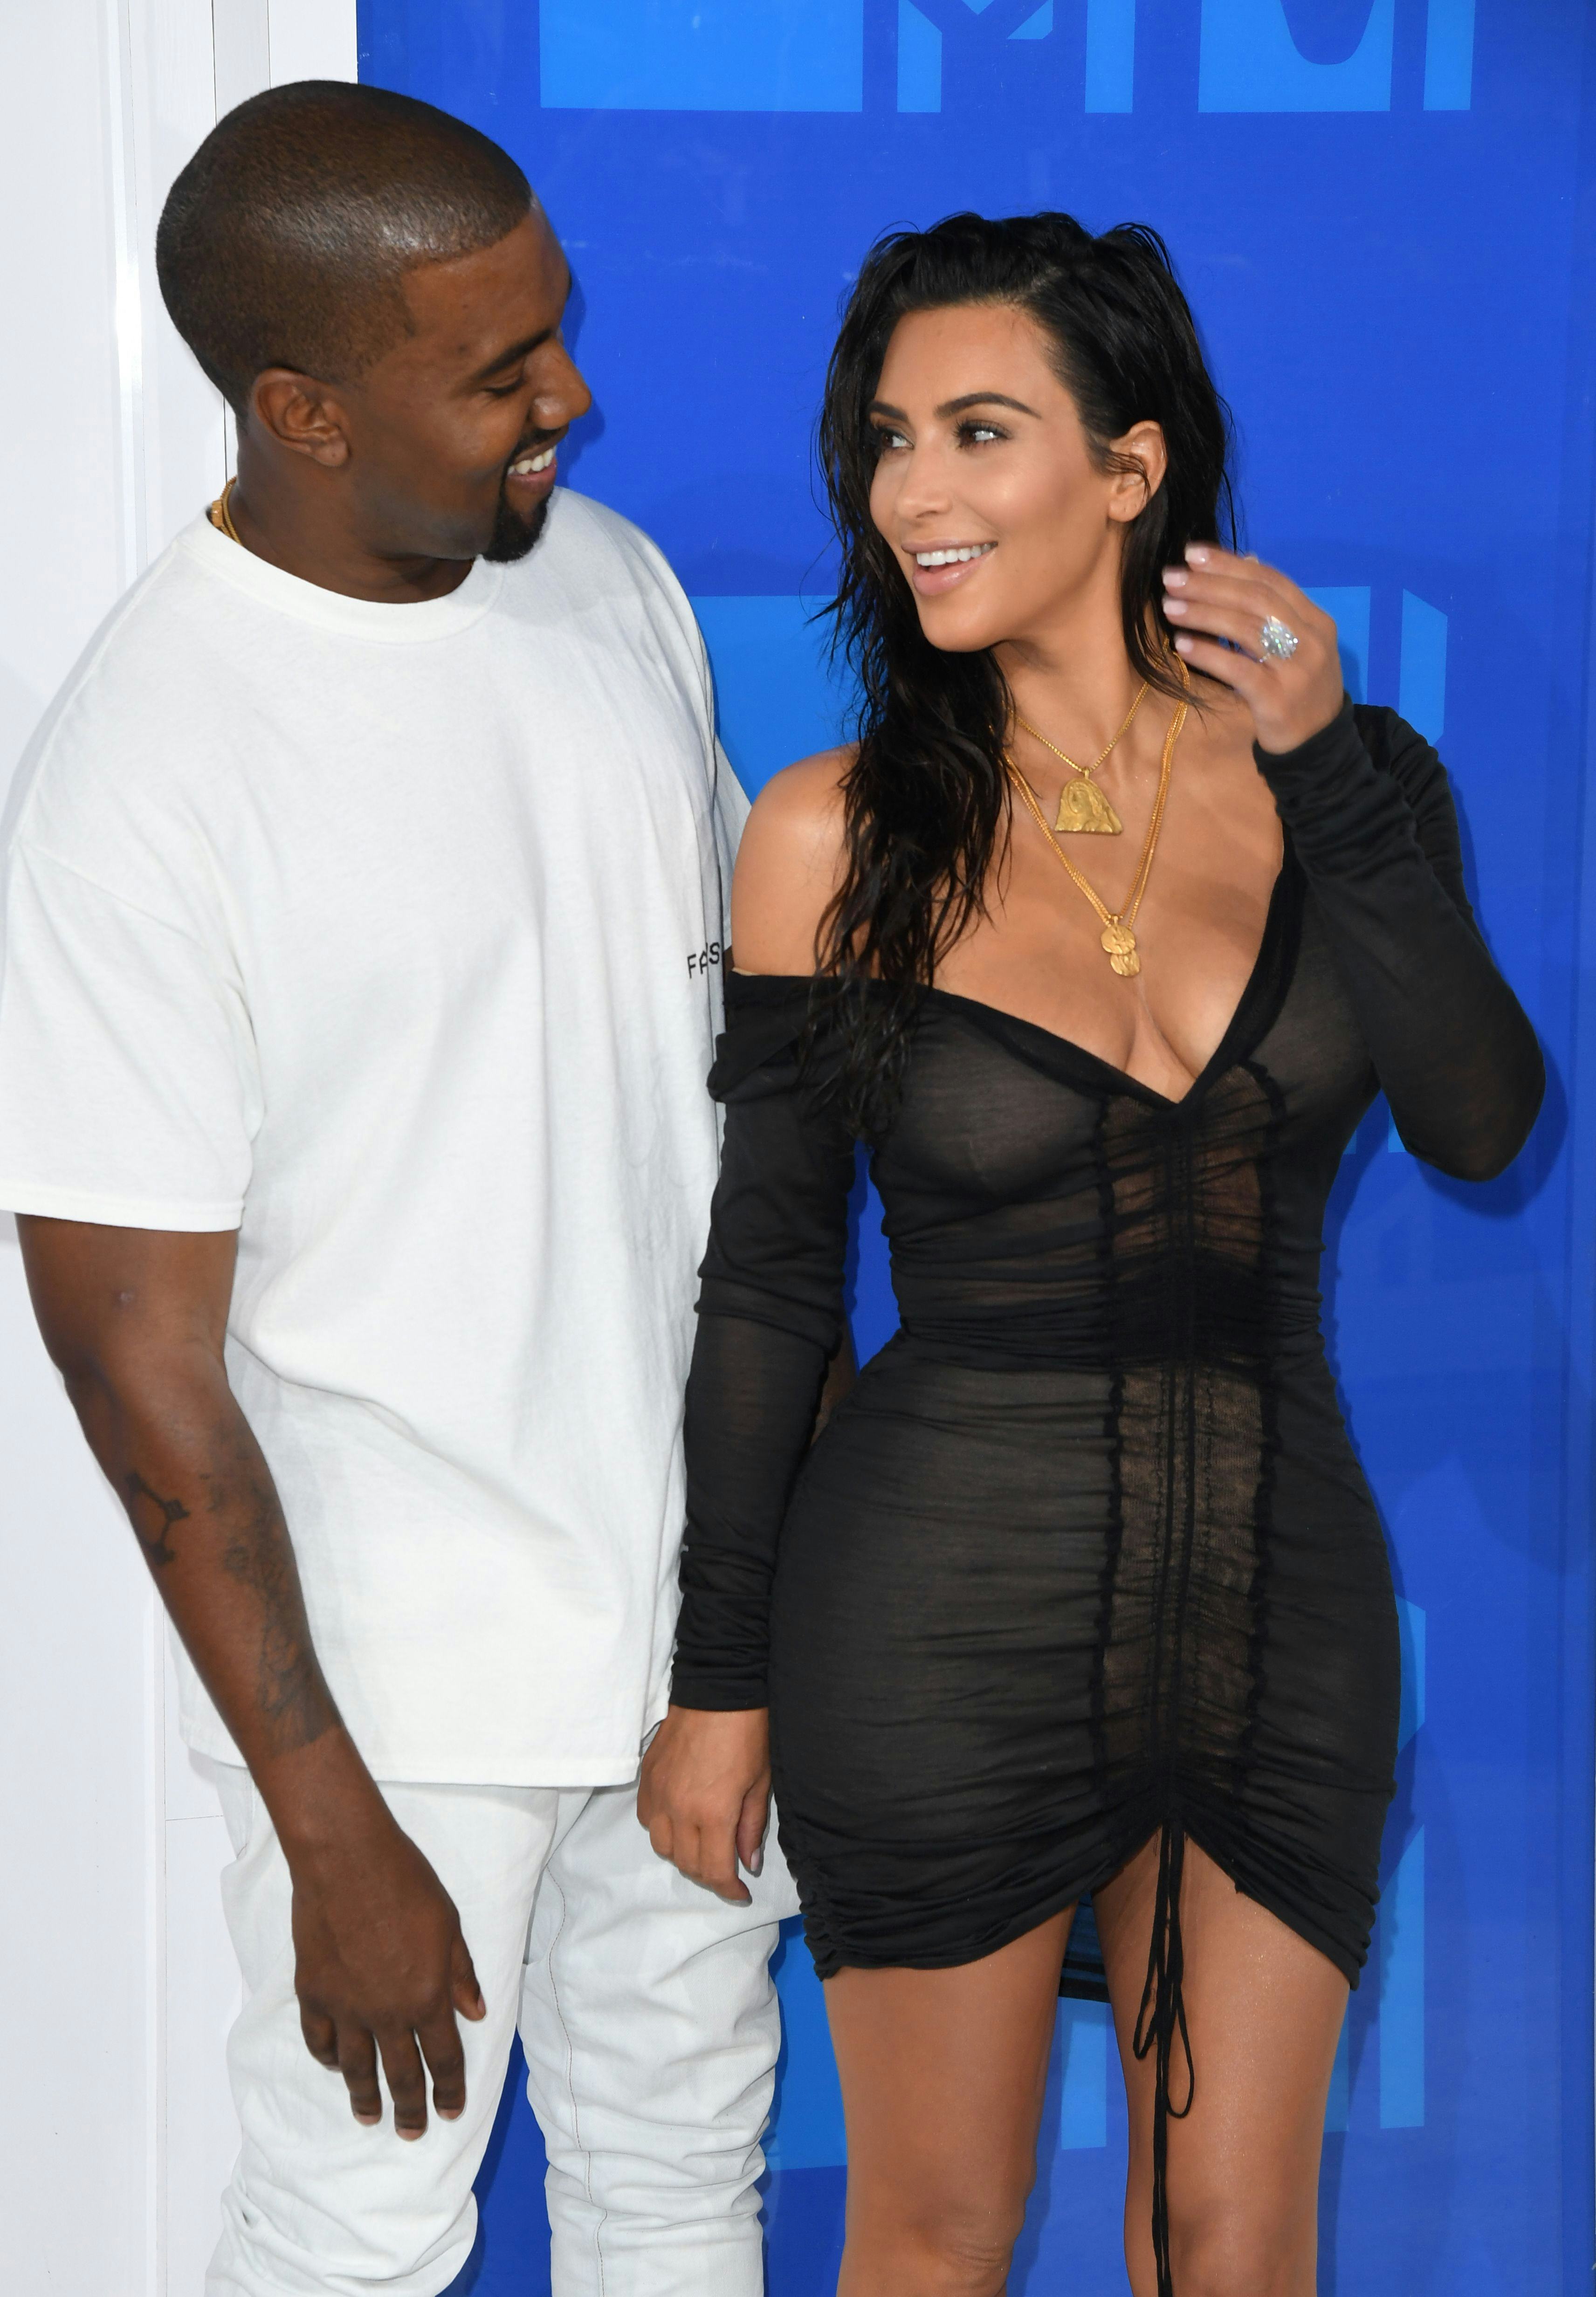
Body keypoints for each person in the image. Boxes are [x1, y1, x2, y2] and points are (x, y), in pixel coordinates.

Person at [638, 211, 1543, 2297]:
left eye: (979, 431)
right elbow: (769, 1281)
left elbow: (1485, 1124)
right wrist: (717, 1680)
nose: (915, 493)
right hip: (935, 1612)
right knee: (939, 2229)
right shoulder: (830, 834)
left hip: (1277, 1597)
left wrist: (1328, 772)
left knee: (1231, 2239)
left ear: (1133, 470)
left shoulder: (1353, 784)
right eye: (887, 442)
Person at [0, 80, 801, 2297]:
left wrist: (772, 1577)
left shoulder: (608, 587)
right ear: (305, 408)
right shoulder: (145, 773)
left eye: (556, 335)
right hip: (404, 1695)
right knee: (351, 2236)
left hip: (697, 1639)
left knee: (680, 2189)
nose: (571, 400)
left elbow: (720, 1105)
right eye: (498, 371)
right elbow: (138, 1365)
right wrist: (325, 1816)